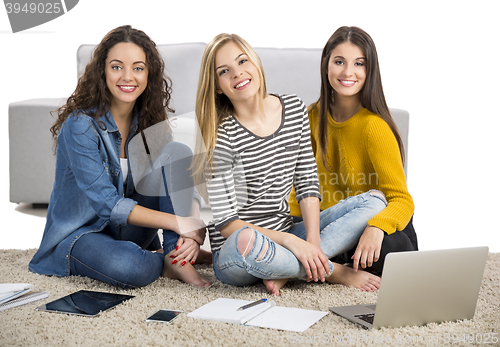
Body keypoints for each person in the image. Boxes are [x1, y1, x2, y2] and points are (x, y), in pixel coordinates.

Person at [193, 33, 388, 295]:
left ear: (256, 63)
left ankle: (293, 268)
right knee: (245, 241)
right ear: (217, 86)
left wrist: (312, 242)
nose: (237, 74)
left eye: (243, 61)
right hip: (237, 252)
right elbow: (228, 225)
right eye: (224, 71)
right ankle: (331, 270)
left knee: (374, 201)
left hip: (286, 231)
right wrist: (292, 242)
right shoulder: (219, 136)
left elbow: (307, 182)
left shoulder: (294, 107)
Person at [29, 25, 211, 289]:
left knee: (178, 153)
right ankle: (169, 260)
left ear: (149, 74)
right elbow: (108, 205)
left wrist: (191, 231)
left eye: (138, 68)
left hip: (129, 230)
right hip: (82, 236)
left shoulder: (148, 122)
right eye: (117, 66)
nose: (128, 76)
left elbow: (176, 183)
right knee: (129, 266)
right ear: (102, 71)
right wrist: (181, 222)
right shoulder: (80, 125)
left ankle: (177, 256)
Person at [289, 26, 418, 275]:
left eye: (359, 63)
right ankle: (334, 267)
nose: (348, 72)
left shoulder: (375, 127)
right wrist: (292, 231)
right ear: (326, 64)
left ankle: (328, 266)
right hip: (332, 225)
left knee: (392, 250)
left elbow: (401, 200)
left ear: (369, 70)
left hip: (374, 225)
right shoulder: (311, 117)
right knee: (280, 238)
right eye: (339, 61)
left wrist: (376, 227)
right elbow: (301, 186)